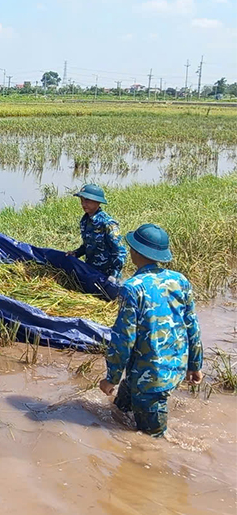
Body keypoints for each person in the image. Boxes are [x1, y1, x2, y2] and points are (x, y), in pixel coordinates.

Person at [99, 224, 204, 438]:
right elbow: (192, 324)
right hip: (173, 367)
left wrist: (111, 377)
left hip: (150, 379)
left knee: (151, 442)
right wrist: (195, 364)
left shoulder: (133, 287)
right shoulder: (179, 280)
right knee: (119, 409)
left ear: (135, 252)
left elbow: (124, 337)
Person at [66, 183, 127, 280]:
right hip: (91, 271)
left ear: (98, 202)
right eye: (81, 200)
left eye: (87, 201)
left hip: (107, 275)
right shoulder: (85, 221)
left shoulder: (108, 224)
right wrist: (76, 253)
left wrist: (113, 275)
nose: (83, 204)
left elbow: (120, 252)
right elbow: (88, 245)